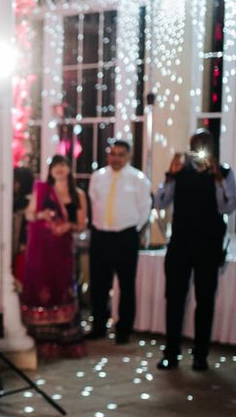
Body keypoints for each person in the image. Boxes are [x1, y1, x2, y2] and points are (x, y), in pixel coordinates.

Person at [155, 129, 236, 371]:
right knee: (174, 299)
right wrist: (170, 175)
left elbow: (228, 207)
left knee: (205, 300)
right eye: (196, 144)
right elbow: (160, 203)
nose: (200, 149)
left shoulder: (223, 172)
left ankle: (200, 354)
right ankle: (171, 352)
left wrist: (218, 181)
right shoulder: (180, 173)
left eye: (204, 144)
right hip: (180, 243)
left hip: (208, 245)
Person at [20, 154, 87, 359]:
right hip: (41, 251)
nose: (59, 169)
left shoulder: (78, 195)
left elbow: (82, 225)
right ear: (50, 171)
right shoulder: (42, 190)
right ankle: (42, 342)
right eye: (55, 166)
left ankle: (65, 343)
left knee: (63, 290)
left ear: (68, 169)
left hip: (63, 251)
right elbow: (29, 214)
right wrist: (41, 216)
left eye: (63, 165)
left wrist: (68, 225)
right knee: (42, 290)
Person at [87, 139, 152, 344]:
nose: (116, 158)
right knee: (98, 284)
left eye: (120, 154)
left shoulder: (139, 179)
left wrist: (131, 229)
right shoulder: (97, 177)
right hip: (100, 236)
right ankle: (98, 325)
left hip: (126, 237)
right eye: (113, 154)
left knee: (126, 285)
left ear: (129, 156)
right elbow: (93, 202)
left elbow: (144, 209)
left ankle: (124, 330)